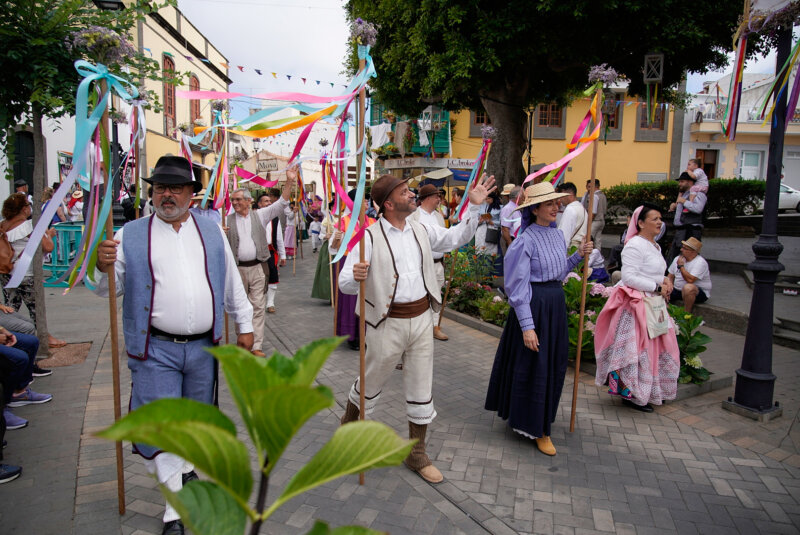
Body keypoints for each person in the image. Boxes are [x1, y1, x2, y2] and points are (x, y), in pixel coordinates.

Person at [94, 155, 256, 535]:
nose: (166, 194)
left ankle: (185, 470)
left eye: (175, 188)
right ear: (152, 192)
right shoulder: (129, 235)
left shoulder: (212, 231)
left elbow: (230, 282)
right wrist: (102, 266)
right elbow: (108, 291)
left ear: (190, 194)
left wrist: (245, 324)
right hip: (154, 349)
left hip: (204, 349)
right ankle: (175, 511)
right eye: (160, 187)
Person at [339, 173, 496, 484]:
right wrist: (355, 275)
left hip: (423, 318)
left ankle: (417, 453)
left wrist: (475, 207)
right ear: (388, 203)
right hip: (386, 322)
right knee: (371, 381)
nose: (412, 194)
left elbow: (455, 238)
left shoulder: (422, 228)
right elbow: (345, 284)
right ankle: (349, 428)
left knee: (422, 385)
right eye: (404, 192)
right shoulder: (368, 238)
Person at [485, 182, 592, 457]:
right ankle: (536, 427)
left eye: (556, 202)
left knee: (553, 363)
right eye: (549, 204)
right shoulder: (525, 241)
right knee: (535, 366)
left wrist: (578, 256)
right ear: (534, 209)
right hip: (534, 306)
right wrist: (527, 327)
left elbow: (559, 271)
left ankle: (539, 419)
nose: (556, 207)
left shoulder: (557, 236)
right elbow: (517, 286)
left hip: (555, 305)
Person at [593, 203, 679, 413]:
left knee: (655, 348)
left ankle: (647, 391)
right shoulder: (634, 245)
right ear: (640, 223)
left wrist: (665, 281)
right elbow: (629, 277)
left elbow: (654, 272)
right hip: (636, 305)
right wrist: (657, 286)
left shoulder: (655, 246)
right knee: (636, 351)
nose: (660, 223)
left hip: (653, 303)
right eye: (654, 219)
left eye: (660, 219)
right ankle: (630, 394)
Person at [226, 182, 293, 357]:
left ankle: (256, 345)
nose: (234, 203)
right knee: (240, 307)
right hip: (237, 270)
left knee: (257, 306)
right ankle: (243, 342)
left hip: (257, 267)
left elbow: (281, 203)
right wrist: (222, 233)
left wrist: (289, 182)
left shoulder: (260, 215)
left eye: (238, 199)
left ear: (249, 201)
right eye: (232, 200)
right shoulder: (226, 220)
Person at [0, 193, 66, 351]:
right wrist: (49, 234)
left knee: (11, 307)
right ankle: (45, 337)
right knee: (35, 307)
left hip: (6, 272)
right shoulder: (29, 226)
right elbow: (48, 247)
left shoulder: (3, 225)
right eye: (28, 205)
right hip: (26, 273)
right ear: (24, 209)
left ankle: (9, 336)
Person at [331, 190, 375, 351]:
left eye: (367, 200)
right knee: (351, 300)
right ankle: (352, 335)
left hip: (368, 264)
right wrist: (335, 240)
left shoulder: (373, 221)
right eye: (363, 200)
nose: (366, 203)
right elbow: (333, 249)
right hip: (348, 263)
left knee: (368, 298)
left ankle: (368, 334)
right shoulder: (344, 222)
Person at [411, 184, 450, 341]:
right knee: (420, 296)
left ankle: (435, 326)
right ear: (427, 198)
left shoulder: (438, 216)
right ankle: (420, 327)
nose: (439, 199)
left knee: (436, 296)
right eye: (436, 196)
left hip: (438, 263)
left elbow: (444, 237)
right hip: (421, 264)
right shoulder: (414, 216)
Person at [668, 172, 707, 264]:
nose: (679, 184)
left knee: (688, 259)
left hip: (691, 231)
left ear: (690, 182)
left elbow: (698, 209)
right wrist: (675, 206)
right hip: (681, 231)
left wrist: (684, 202)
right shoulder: (684, 194)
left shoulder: (699, 194)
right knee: (674, 258)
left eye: (682, 181)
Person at [258, 191, 287, 314]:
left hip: (271, 251)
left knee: (273, 276)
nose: (269, 203)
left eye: (270, 201)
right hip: (257, 252)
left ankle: (270, 303)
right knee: (258, 277)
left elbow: (279, 238)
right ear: (259, 204)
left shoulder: (275, 219)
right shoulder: (254, 216)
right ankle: (259, 302)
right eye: (266, 201)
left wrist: (283, 255)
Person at [667, 237, 711, 313]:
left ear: (693, 252)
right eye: (682, 247)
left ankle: (686, 314)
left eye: (685, 248)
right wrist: (668, 286)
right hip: (678, 290)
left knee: (688, 288)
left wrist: (681, 266)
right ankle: (667, 312)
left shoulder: (700, 262)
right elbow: (670, 276)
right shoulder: (677, 258)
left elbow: (690, 280)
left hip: (698, 293)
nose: (681, 249)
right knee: (660, 286)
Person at [311, 201, 336, 303]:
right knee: (328, 272)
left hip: (342, 248)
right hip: (329, 248)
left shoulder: (345, 218)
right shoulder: (327, 220)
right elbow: (321, 235)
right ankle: (330, 295)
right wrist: (326, 236)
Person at [556, 182, 588, 249]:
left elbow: (564, 235)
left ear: (570, 194)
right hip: (581, 247)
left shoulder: (570, 209)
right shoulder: (583, 209)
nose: (560, 199)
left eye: (561, 196)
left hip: (571, 248)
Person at [581, 179, 607, 250]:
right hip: (601, 220)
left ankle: (588, 254)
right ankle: (598, 254)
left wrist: (588, 222)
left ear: (594, 186)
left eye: (589, 186)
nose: (587, 188)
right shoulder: (603, 195)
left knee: (588, 238)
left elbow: (593, 212)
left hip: (595, 221)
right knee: (598, 240)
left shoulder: (594, 196)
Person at [500, 185, 521, 256]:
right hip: (511, 239)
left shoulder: (516, 207)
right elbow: (505, 228)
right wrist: (510, 243)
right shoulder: (508, 208)